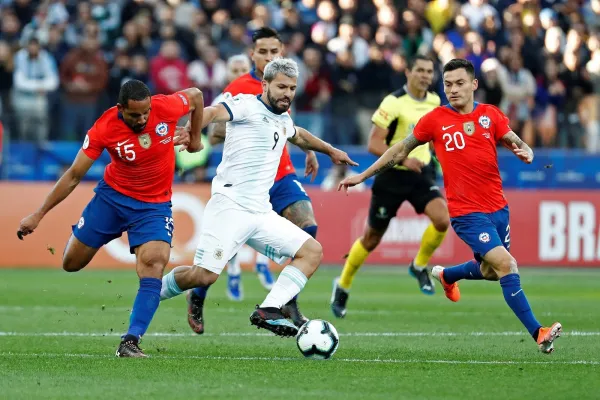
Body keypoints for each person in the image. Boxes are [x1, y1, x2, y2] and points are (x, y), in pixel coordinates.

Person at [338, 59, 562, 354]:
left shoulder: (490, 115)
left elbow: (515, 140)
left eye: (459, 83)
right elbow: (397, 150)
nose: (453, 90)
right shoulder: (435, 119)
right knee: (507, 265)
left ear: (474, 85)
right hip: (467, 213)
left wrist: (527, 152)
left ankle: (447, 275)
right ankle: (539, 333)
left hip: (498, 208)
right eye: (447, 84)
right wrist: (364, 176)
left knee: (493, 271)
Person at [160, 58, 356, 338]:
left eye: (292, 88)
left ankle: (269, 309)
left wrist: (330, 151)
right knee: (203, 276)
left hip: (260, 213)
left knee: (312, 251)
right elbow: (213, 112)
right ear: (265, 84)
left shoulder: (283, 118)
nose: (287, 93)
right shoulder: (245, 104)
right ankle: (152, 294)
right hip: (229, 207)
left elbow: (299, 136)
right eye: (281, 87)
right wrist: (193, 133)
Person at [17, 80, 204, 358]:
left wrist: (195, 139)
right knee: (71, 263)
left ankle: (131, 340)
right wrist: (39, 214)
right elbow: (73, 175)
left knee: (154, 263)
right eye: (134, 115)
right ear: (121, 109)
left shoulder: (165, 107)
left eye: (145, 113)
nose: (142, 120)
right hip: (112, 200)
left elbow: (197, 96)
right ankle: (89, 232)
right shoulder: (104, 126)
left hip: (153, 206)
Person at [187, 27, 320, 334]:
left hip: (281, 172)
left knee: (308, 226)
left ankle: (284, 301)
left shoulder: (285, 80)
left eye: (275, 51)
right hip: (245, 181)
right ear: (253, 54)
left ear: (281, 52)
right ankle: (198, 294)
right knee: (221, 251)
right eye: (263, 51)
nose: (270, 56)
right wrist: (218, 133)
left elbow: (287, 124)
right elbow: (215, 126)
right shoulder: (239, 88)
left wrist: (308, 151)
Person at [331, 55, 450, 318]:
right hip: (391, 176)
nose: (424, 75)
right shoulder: (393, 102)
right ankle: (343, 284)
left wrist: (437, 159)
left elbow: (431, 139)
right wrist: (404, 159)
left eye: (429, 71)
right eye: (419, 70)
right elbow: (373, 144)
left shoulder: (434, 101)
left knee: (442, 220)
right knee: (371, 239)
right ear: (407, 72)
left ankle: (418, 266)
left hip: (421, 173)